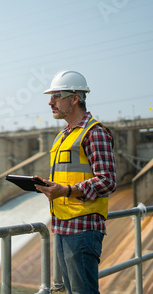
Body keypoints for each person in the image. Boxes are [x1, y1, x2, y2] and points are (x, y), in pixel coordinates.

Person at [35, 70, 116, 294]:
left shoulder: (94, 133)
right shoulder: (63, 135)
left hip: (83, 229)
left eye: (56, 96)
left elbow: (108, 181)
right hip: (61, 226)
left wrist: (67, 191)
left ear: (74, 98)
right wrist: (49, 187)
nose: (50, 102)